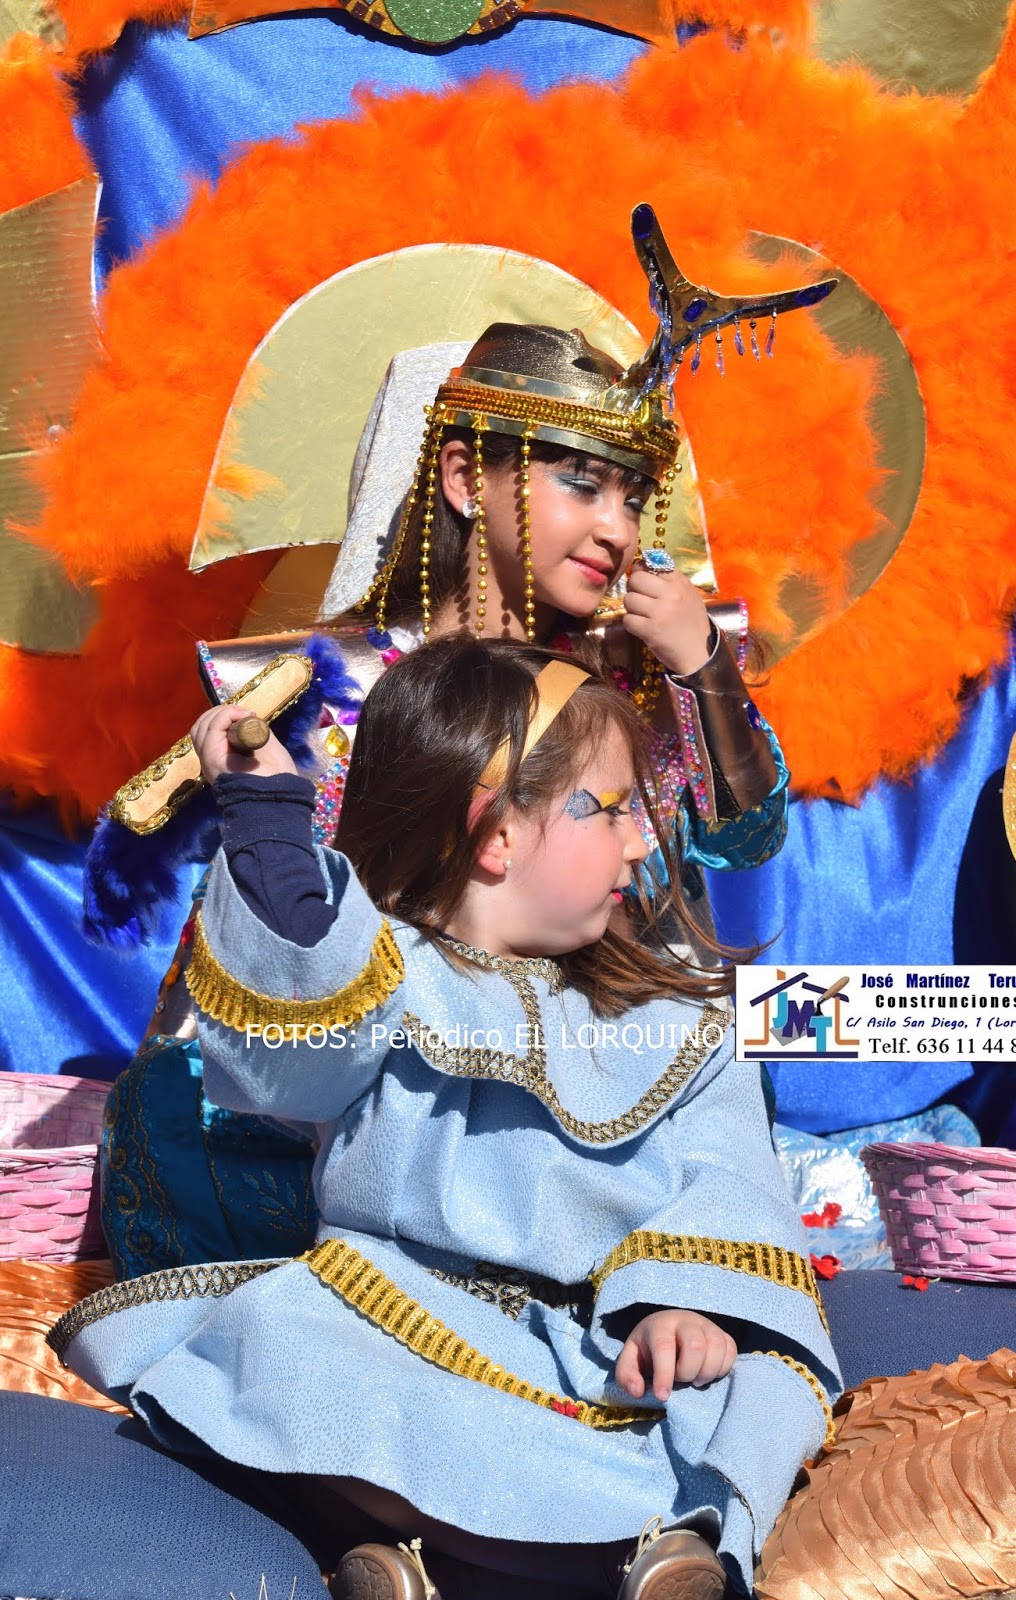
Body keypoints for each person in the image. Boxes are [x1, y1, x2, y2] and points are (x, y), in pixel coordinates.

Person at [97, 210, 818, 1280]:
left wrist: (702, 668)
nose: (618, 528)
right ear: (463, 479)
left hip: (576, 1086)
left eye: (633, 496)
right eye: (582, 483)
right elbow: (280, 949)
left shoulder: (628, 680)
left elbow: (745, 843)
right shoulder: (331, 686)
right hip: (369, 1091)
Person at [59, 638, 840, 1600]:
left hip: (603, 1351)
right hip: (389, 1321)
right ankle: (571, 1567)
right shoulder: (378, 981)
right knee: (288, 1352)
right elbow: (292, 1026)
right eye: (608, 809)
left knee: (748, 1399)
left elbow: (726, 1177)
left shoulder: (677, 1022)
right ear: (497, 837)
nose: (640, 842)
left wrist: (687, 1311)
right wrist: (265, 814)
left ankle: (453, 1559)